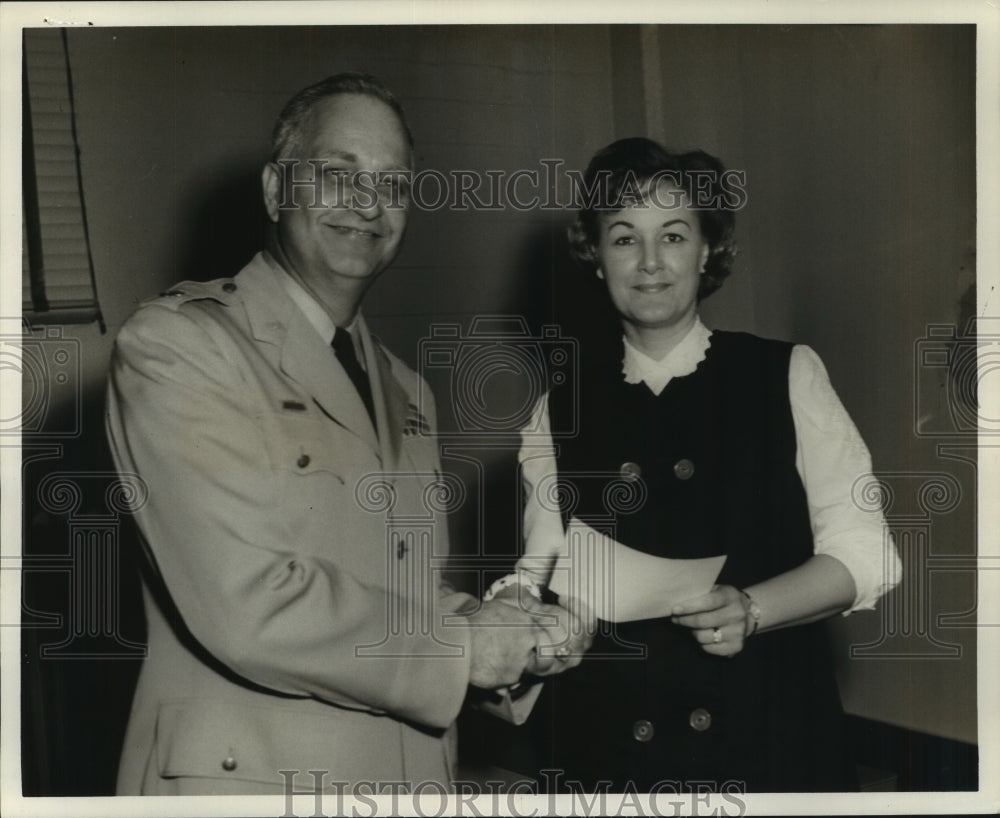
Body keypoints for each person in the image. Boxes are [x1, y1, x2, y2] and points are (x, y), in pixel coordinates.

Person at [105, 73, 588, 796]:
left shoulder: (404, 387)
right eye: (339, 175)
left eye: (392, 183)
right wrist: (465, 649)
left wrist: (513, 632)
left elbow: (398, 594)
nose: (367, 203)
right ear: (275, 190)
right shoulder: (180, 347)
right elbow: (248, 604)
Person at [504, 137, 902, 792]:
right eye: (625, 238)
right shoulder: (559, 405)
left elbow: (868, 554)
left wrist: (750, 608)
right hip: (611, 752)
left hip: (768, 740)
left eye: (675, 235)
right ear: (596, 257)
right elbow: (542, 565)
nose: (651, 262)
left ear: (708, 249)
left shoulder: (786, 374)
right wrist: (534, 623)